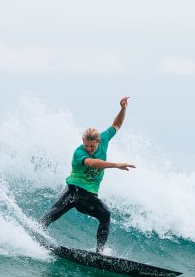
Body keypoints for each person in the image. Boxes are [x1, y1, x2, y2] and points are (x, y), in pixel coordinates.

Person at [40, 96, 136, 253]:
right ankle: (35, 235)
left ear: (98, 142)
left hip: (88, 196)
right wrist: (116, 165)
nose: (89, 149)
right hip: (74, 191)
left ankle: (100, 253)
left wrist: (123, 108)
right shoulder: (79, 152)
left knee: (105, 215)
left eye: (91, 146)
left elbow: (116, 125)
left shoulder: (104, 139)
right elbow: (91, 163)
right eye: (86, 145)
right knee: (49, 216)